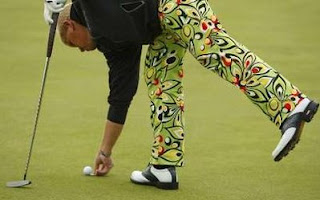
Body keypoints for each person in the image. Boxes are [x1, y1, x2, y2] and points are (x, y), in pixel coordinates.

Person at [43, 0, 318, 190]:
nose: (81, 50)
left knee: (215, 51)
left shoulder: (86, 7)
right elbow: (121, 95)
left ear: (69, 27)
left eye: (73, 45)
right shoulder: (113, 44)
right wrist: (105, 151)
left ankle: (290, 104)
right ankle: (163, 166)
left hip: (176, 4)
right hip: (160, 27)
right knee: (160, 78)